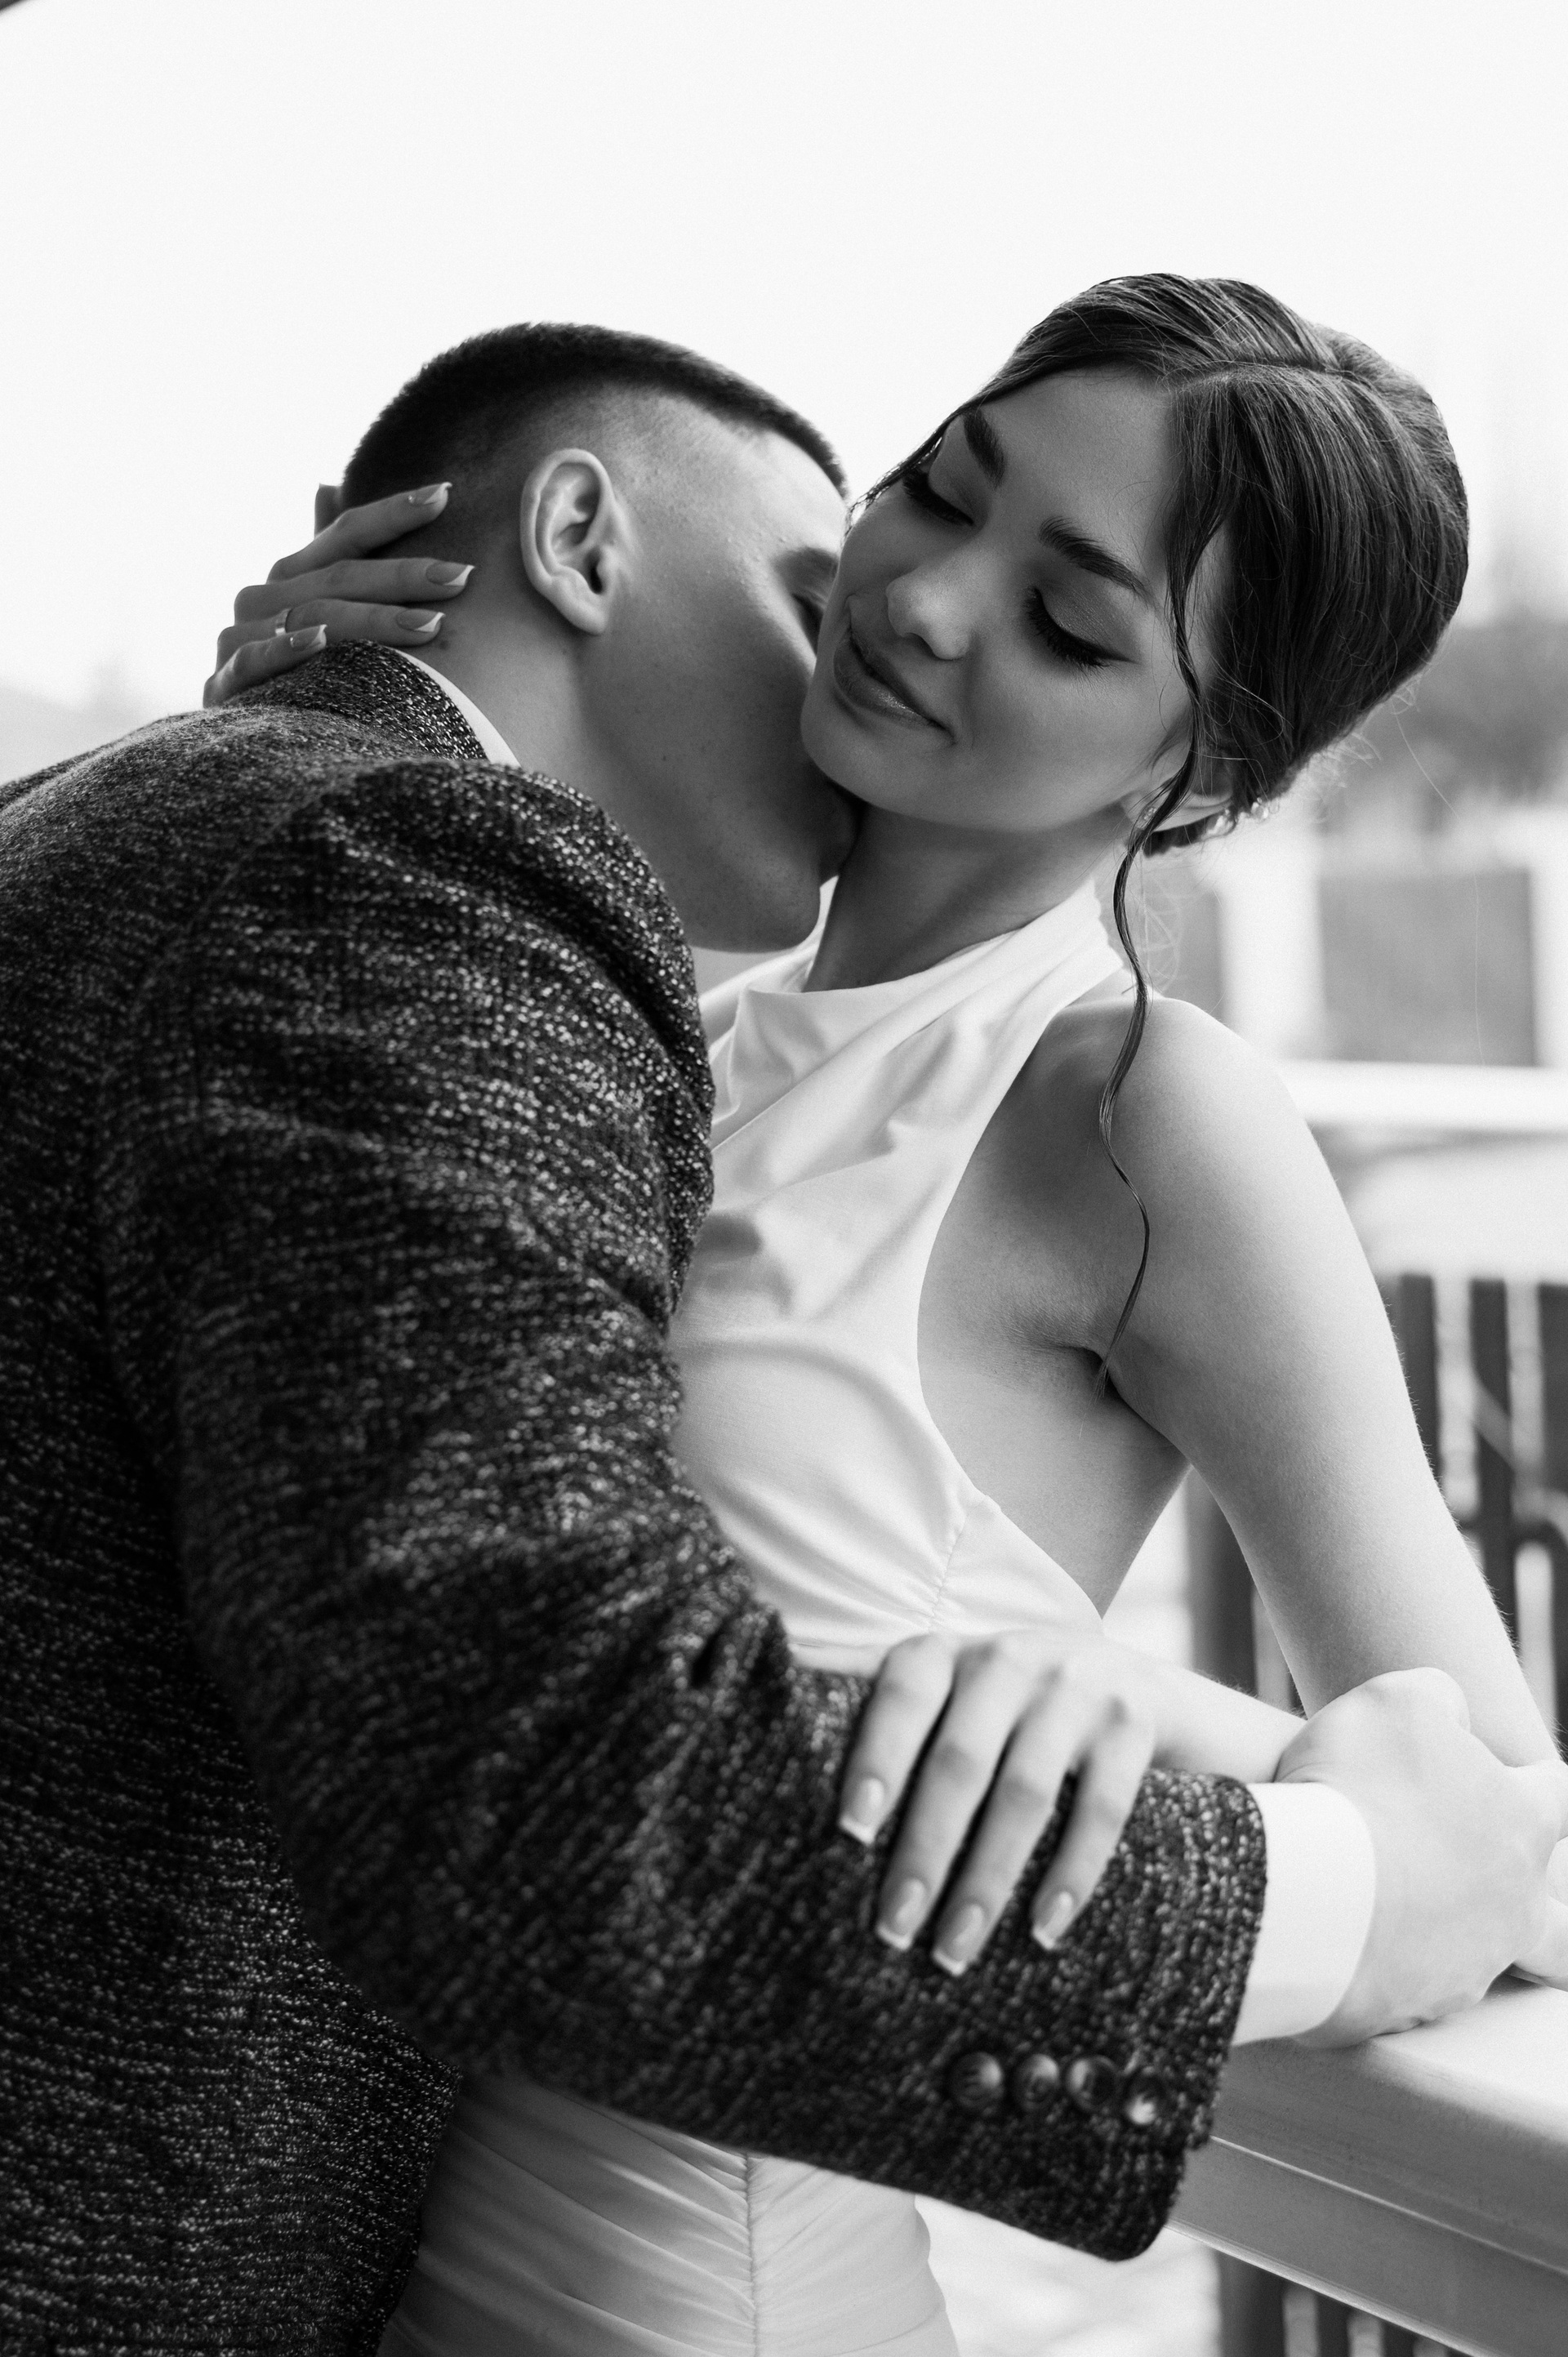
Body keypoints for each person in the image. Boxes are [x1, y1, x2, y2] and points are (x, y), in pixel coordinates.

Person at [188, 288, 1568, 2357]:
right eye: (939, 488)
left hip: (694, 2301)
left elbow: (1505, 1837)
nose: (922, 601)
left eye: (1069, 623)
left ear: (1202, 765)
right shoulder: (631, 998)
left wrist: (1144, 1716)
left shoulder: (1138, 1115)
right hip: (347, 2255)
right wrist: (282, 773)